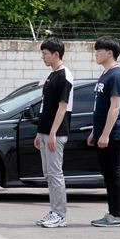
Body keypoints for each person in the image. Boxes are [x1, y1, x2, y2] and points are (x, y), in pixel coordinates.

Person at [88, 36, 120, 227]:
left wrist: (105, 134)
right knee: (108, 175)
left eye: (99, 50)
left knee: (113, 175)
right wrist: (95, 132)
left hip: (113, 134)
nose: (96, 54)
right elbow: (100, 108)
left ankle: (118, 215)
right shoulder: (105, 74)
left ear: (109, 53)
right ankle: (112, 213)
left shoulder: (116, 75)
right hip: (102, 133)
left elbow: (115, 107)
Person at [33, 37, 73, 228]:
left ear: (56, 54)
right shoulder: (52, 75)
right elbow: (45, 107)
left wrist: (53, 133)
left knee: (55, 173)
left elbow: (62, 106)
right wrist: (39, 133)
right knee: (49, 173)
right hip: (45, 133)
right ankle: (54, 210)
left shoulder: (65, 75)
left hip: (55, 133)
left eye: (45, 54)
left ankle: (60, 214)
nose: (43, 57)